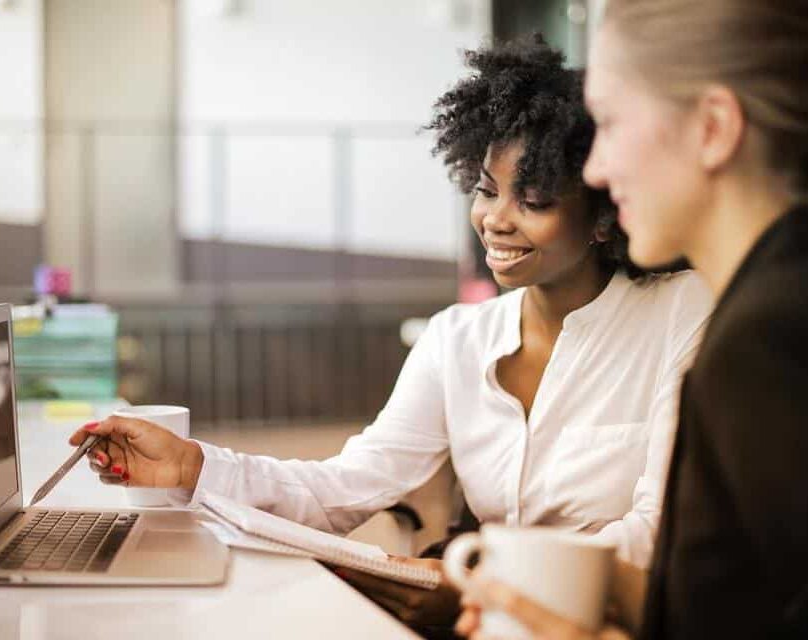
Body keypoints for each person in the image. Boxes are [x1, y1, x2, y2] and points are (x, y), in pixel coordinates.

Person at [70, 36, 712, 633]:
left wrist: (479, 574)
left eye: (534, 201)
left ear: (603, 216)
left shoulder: (681, 316)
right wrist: (190, 464)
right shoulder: (455, 338)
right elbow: (347, 487)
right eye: (486, 191)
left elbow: (657, 533)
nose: (495, 220)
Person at [455, 1, 808, 639]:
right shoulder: (763, 305)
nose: (593, 168)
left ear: (712, 127)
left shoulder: (767, 336)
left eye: (611, 123)